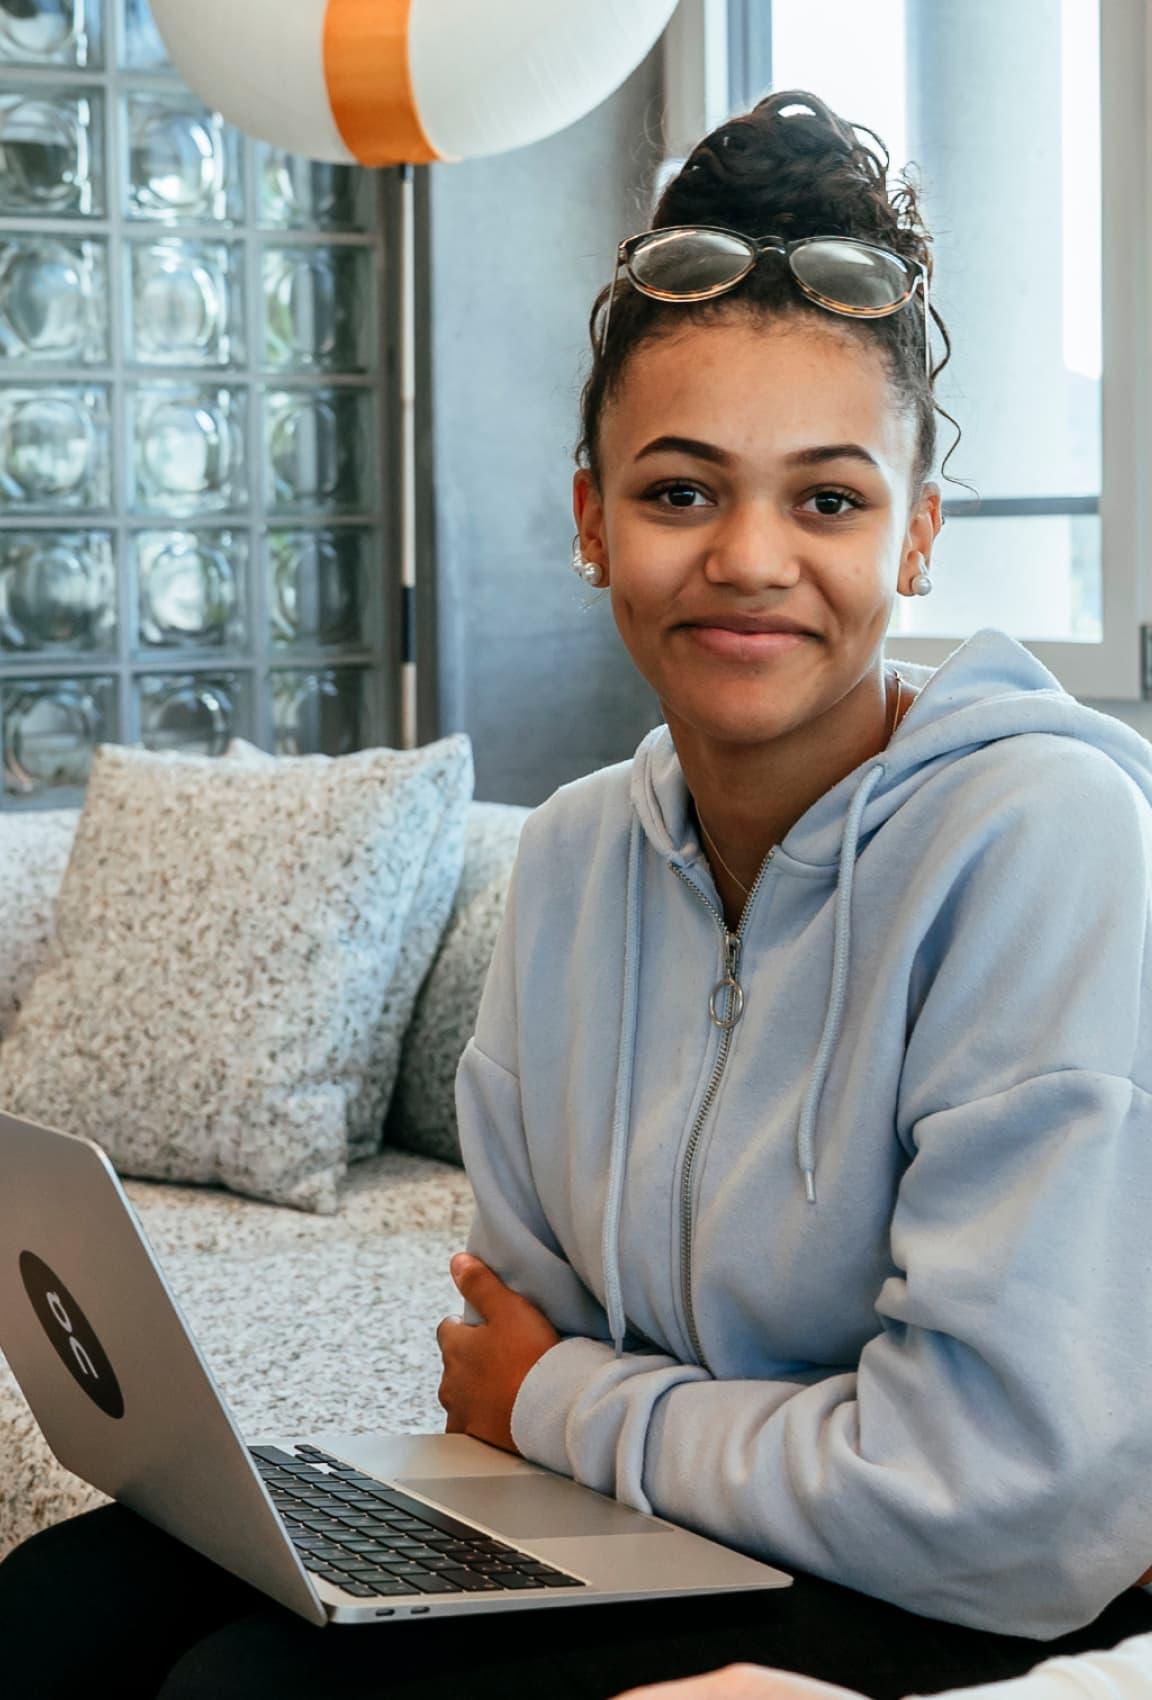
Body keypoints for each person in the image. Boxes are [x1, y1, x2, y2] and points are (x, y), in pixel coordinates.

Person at [4, 87, 1152, 1700]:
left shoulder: (1042, 836)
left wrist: (564, 1407)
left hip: (949, 1599)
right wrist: (544, 1407)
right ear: (590, 521)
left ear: (917, 542)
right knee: (56, 1615)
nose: (751, 556)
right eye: (681, 491)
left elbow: (1009, 1495)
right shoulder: (575, 853)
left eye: (829, 498)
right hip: (642, 1521)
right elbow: (512, 1327)